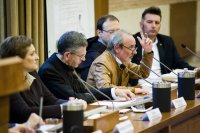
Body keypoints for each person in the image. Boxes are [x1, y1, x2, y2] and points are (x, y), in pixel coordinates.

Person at [38, 31, 135, 103]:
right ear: (67, 55)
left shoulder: (66, 63)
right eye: (81, 56)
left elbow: (84, 89)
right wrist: (95, 96)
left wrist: (114, 92)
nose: (84, 59)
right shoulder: (49, 71)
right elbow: (73, 97)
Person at [0, 35, 70, 123]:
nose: (37, 57)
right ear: (17, 59)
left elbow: (51, 100)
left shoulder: (32, 73)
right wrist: (66, 108)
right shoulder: (6, 81)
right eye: (32, 54)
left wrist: (71, 103)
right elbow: (24, 113)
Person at [130, 6, 198, 86]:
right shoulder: (132, 42)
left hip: (164, 85)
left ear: (160, 26)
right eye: (149, 22)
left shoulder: (166, 41)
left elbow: (179, 63)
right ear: (141, 25)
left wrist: (196, 70)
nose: (153, 26)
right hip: (141, 86)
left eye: (157, 22)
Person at [86, 30, 153, 93]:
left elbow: (142, 73)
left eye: (135, 47)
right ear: (117, 48)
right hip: (99, 103)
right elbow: (105, 88)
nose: (135, 52)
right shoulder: (101, 63)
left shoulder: (124, 61)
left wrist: (148, 52)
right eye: (131, 47)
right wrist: (133, 90)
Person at [77, 15, 120, 81]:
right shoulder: (93, 56)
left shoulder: (113, 47)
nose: (116, 35)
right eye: (111, 32)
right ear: (99, 33)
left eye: (118, 31)